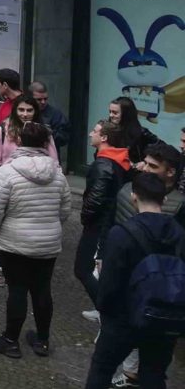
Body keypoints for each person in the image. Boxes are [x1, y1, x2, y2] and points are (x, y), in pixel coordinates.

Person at [85, 171, 184, 389]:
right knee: (153, 374)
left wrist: (106, 313)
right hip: (162, 317)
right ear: (164, 199)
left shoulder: (121, 234)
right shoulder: (179, 234)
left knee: (102, 369)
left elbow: (109, 285)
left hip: (123, 318)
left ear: (133, 197)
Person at [0, 122, 71, 359]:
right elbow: (65, 210)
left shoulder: (7, 173)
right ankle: (42, 340)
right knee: (42, 290)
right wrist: (50, 226)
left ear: (19, 141)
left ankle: (10, 341)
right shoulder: (57, 174)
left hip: (14, 242)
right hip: (48, 243)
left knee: (17, 289)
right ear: (45, 144)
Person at [77, 120, 130, 320]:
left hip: (99, 225)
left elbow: (95, 199)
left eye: (95, 131)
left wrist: (85, 218)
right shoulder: (119, 161)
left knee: (83, 269)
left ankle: (107, 313)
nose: (91, 134)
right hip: (109, 222)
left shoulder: (103, 164)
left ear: (104, 137)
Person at [109, 96, 159, 166]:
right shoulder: (107, 130)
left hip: (134, 171)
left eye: (115, 113)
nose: (110, 115)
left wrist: (145, 163)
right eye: (110, 112)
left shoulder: (142, 133)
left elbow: (162, 150)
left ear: (125, 114)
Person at [29, 81, 69, 153]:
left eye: (45, 99)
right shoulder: (23, 112)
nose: (43, 102)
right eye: (39, 99)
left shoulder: (55, 114)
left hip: (48, 154)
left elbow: (64, 138)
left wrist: (47, 132)